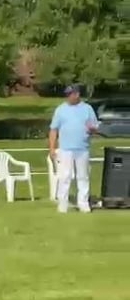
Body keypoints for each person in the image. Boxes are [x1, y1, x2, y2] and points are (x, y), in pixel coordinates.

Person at [49, 84, 100, 214]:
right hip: (66, 148)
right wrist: (52, 148)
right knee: (65, 177)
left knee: (83, 177)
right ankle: (63, 204)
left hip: (82, 148)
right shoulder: (60, 110)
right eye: (67, 95)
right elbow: (53, 130)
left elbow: (95, 127)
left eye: (70, 94)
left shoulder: (87, 109)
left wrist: (92, 129)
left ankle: (83, 204)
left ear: (77, 94)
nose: (68, 97)